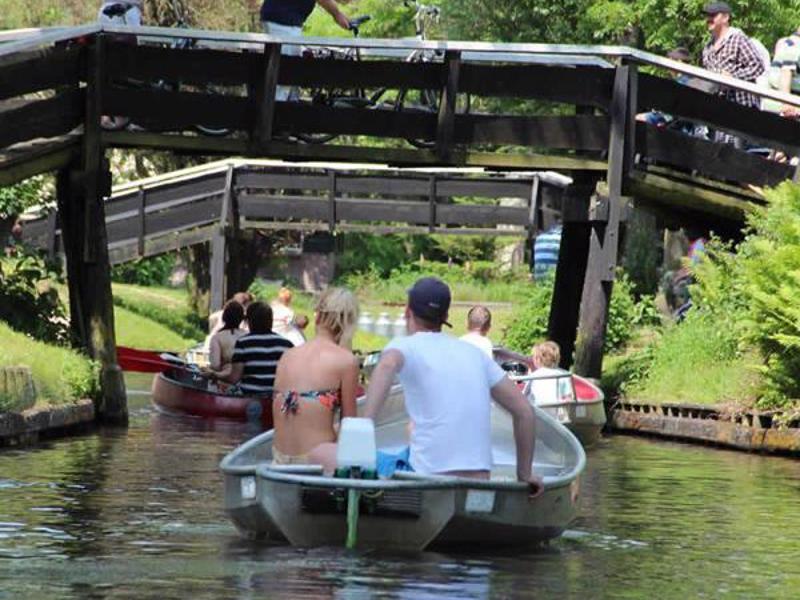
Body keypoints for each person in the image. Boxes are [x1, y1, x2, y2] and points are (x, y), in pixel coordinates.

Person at [364, 277, 543, 496]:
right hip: (480, 482)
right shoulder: (474, 354)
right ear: (446, 317)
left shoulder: (404, 346)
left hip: (428, 478)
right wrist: (524, 474)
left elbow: (388, 364)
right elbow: (525, 412)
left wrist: (362, 428)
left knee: (327, 455)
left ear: (407, 311)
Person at [271, 288, 360, 472]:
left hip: (279, 460)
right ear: (349, 323)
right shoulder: (346, 361)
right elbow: (350, 427)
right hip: (314, 464)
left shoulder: (287, 356)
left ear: (317, 316)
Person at [700, 2, 766, 145]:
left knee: (736, 153)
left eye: (713, 15)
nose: (708, 19)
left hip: (741, 108)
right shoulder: (708, 48)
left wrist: (733, 77)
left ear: (725, 18)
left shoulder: (737, 39)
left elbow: (758, 66)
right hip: (718, 109)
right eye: (707, 16)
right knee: (716, 150)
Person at [260, 0, 352, 100]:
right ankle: (275, 112)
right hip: (283, 23)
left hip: (282, 19)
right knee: (284, 77)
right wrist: (337, 15)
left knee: (286, 76)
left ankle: (282, 109)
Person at [223, 301, 294, 396]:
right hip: (276, 399)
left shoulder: (243, 343)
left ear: (249, 321)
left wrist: (215, 375)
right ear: (270, 320)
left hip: (248, 399)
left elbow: (234, 378)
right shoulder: (286, 344)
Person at [201, 300, 247, 382]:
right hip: (246, 380)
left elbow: (215, 365)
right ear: (241, 318)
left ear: (224, 317)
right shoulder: (248, 335)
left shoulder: (217, 338)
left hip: (226, 380)